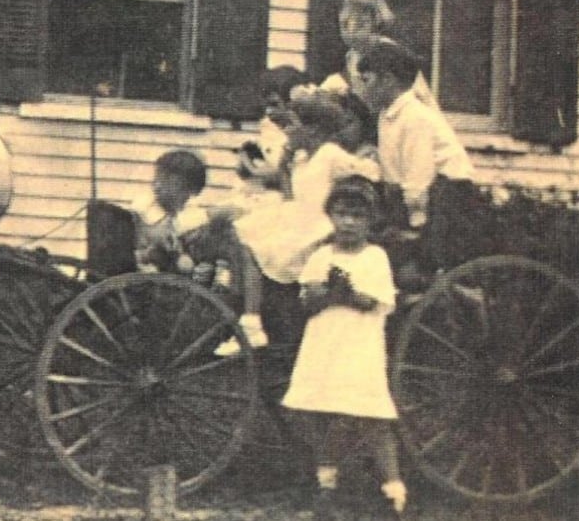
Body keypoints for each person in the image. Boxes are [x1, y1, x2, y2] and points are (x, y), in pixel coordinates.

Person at [215, 91, 380, 357]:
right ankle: (248, 316)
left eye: (291, 125)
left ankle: (252, 323)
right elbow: (292, 194)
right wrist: (286, 161)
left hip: (316, 226)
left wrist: (370, 164)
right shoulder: (302, 158)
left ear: (314, 130)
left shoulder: (329, 154)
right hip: (297, 218)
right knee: (243, 232)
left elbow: (369, 171)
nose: (286, 132)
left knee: (257, 246)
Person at [281, 176, 407, 519]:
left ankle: (394, 491)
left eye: (357, 216)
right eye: (341, 214)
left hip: (358, 344)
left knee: (368, 415)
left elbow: (375, 302)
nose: (349, 222)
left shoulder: (374, 257)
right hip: (323, 343)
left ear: (370, 220)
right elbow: (307, 301)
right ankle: (326, 480)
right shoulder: (321, 255)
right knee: (307, 408)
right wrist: (323, 294)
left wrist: (347, 292)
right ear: (331, 216)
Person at [131, 150, 267, 351]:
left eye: (167, 179)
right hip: (153, 287)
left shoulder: (184, 210)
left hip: (173, 279)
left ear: (189, 189)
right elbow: (160, 236)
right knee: (227, 233)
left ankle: (237, 298)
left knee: (232, 235)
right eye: (158, 176)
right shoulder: (148, 205)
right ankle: (243, 308)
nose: (157, 184)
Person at [357, 40, 474, 234]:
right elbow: (394, 168)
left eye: (366, 80)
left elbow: (419, 174)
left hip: (445, 196)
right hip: (410, 195)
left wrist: (415, 225)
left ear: (387, 80)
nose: (363, 90)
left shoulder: (416, 116)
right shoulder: (386, 115)